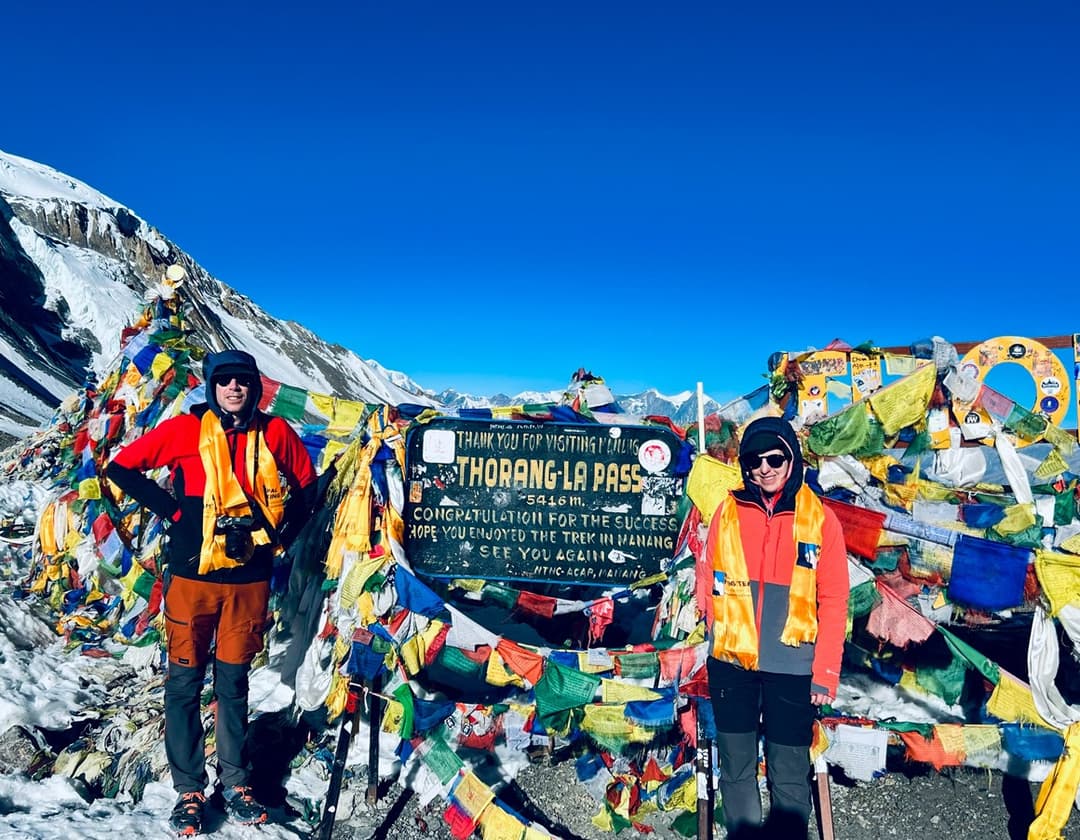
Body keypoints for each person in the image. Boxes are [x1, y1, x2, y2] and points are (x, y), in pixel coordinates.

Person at [107, 349, 317, 836]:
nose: (234, 389)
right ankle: (189, 790)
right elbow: (121, 468)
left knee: (233, 684)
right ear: (212, 387)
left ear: (255, 388)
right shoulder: (184, 430)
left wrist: (282, 537)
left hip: (248, 582)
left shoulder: (276, 433)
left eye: (243, 381)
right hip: (191, 580)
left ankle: (236, 783)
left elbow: (307, 488)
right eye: (225, 381)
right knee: (183, 684)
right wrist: (176, 513)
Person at [703, 416, 848, 839]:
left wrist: (825, 673)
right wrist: (716, 634)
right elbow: (706, 579)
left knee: (788, 770)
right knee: (736, 766)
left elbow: (834, 600)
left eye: (775, 458)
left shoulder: (822, 521)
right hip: (731, 662)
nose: (763, 468)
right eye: (753, 460)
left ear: (792, 459)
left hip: (793, 666)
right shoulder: (726, 513)